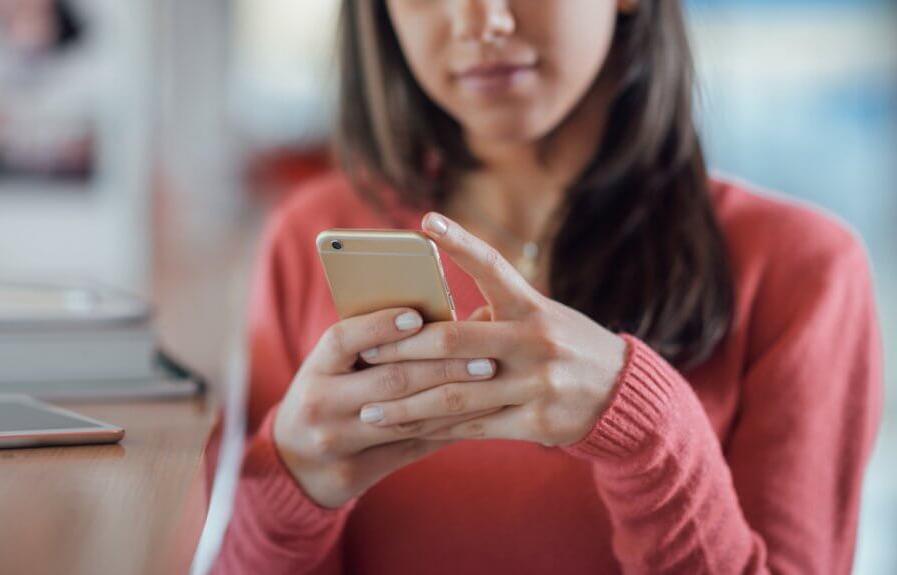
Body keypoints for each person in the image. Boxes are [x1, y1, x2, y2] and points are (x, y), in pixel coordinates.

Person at [212, 1, 883, 573]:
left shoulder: (805, 271)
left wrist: (647, 435)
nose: (482, 21)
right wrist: (290, 486)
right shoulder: (311, 235)